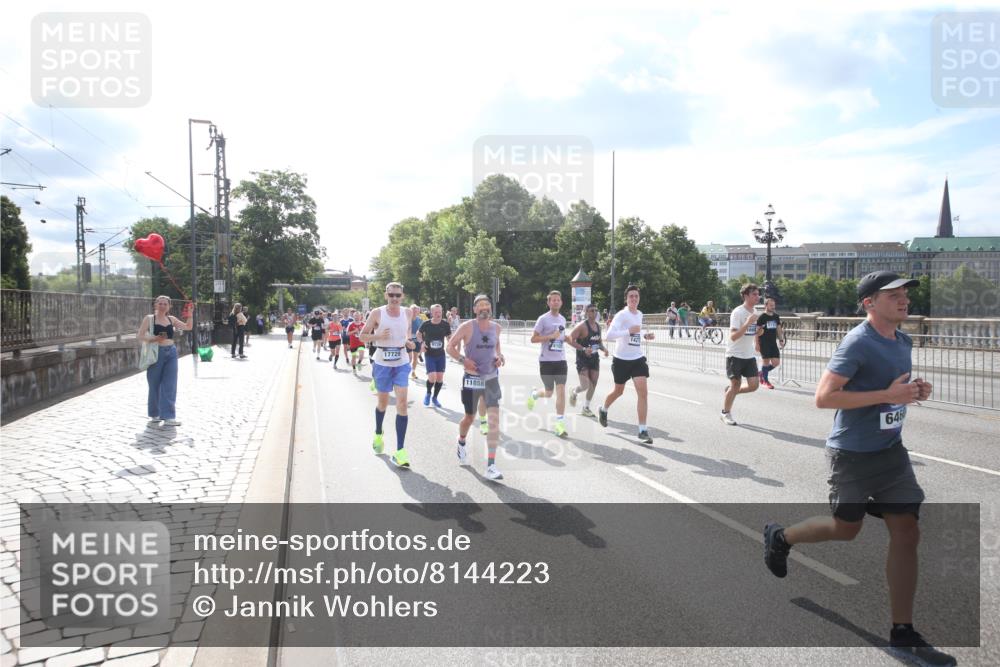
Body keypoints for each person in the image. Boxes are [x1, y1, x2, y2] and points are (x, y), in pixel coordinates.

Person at [762, 272, 953, 666]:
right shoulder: (857, 343)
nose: (904, 299)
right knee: (845, 529)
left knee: (907, 530)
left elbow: (890, 393)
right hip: (851, 455)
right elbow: (823, 397)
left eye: (905, 293)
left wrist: (913, 391)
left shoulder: (902, 341)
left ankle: (903, 630)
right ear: (869, 303)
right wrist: (889, 394)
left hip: (891, 453)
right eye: (893, 295)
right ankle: (782, 537)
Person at [447, 294, 505, 480]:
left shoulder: (497, 327)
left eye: (487, 304)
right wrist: (463, 360)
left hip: (491, 378)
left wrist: (499, 357)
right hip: (472, 378)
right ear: (474, 309)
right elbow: (450, 347)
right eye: (480, 305)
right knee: (469, 418)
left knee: (494, 420)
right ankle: (461, 441)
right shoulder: (466, 327)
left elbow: (497, 347)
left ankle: (491, 466)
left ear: (490, 308)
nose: (484, 307)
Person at [360, 282, 416, 467]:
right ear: (386, 295)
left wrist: (409, 342)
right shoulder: (377, 313)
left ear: (402, 296)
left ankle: (400, 451)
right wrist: (377, 336)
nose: (394, 298)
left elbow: (406, 334)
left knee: (402, 404)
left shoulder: (408, 313)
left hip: (401, 361)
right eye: (391, 295)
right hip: (382, 363)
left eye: (397, 295)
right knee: (383, 403)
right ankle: (378, 433)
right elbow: (362, 336)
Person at [599, 285, 655, 443]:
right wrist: (628, 331)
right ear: (626, 299)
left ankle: (642, 430)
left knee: (643, 393)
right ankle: (603, 409)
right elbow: (609, 335)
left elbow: (636, 332)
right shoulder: (621, 315)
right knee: (618, 391)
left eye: (636, 296)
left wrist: (645, 335)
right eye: (631, 296)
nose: (634, 298)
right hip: (621, 360)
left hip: (637, 359)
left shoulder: (640, 314)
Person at [138, 296, 194, 426]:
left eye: (165, 304)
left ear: (169, 306)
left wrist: (190, 314)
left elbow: (188, 327)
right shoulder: (149, 319)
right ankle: (155, 414)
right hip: (156, 353)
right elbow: (140, 335)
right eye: (160, 303)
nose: (162, 306)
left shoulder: (171, 319)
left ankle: (169, 416)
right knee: (154, 384)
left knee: (170, 384)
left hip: (171, 352)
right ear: (155, 304)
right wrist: (155, 339)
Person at [527, 290, 569, 438]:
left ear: (561, 302)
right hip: (546, 361)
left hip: (561, 360)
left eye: (558, 300)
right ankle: (534, 395)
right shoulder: (543, 319)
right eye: (553, 300)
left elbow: (561, 337)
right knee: (549, 393)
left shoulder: (563, 319)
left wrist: (567, 339)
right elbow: (533, 339)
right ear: (548, 302)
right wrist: (550, 336)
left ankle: (559, 425)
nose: (556, 302)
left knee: (561, 390)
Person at [721, 283, 761, 425]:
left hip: (748, 355)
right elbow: (733, 336)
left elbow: (752, 331)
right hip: (735, 354)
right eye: (754, 294)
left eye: (758, 294)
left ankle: (731, 391)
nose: (758, 297)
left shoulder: (755, 311)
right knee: (736, 384)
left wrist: (759, 333)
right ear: (745, 296)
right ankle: (725, 413)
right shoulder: (738, 312)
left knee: (754, 385)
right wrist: (748, 322)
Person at [566, 304, 608, 417]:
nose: (594, 312)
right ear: (586, 312)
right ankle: (574, 391)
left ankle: (586, 407)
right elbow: (569, 339)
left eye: (595, 310)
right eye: (591, 310)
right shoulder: (582, 326)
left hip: (594, 359)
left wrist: (604, 349)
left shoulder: (598, 327)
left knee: (593, 384)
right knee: (585, 385)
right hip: (582, 359)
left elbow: (599, 342)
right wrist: (584, 349)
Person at [417, 304, 450, 408]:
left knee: (439, 378)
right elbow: (418, 334)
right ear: (431, 313)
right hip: (429, 354)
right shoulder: (426, 324)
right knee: (432, 377)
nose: (438, 314)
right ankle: (428, 393)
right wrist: (422, 343)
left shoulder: (445, 324)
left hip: (440, 355)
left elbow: (449, 336)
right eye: (436, 312)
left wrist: (451, 342)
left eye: (440, 312)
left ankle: (435, 398)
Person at [755, 297, 785, 389]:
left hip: (773, 343)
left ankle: (761, 373)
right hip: (764, 342)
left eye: (774, 305)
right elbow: (756, 331)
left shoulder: (776, 316)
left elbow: (778, 329)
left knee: (776, 362)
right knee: (766, 362)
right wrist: (757, 344)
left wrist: (781, 340)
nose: (773, 307)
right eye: (771, 305)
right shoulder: (762, 317)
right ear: (766, 305)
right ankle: (765, 381)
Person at [408, 304, 423, 380]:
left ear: (418, 312)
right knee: (409, 358)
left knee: (415, 358)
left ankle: (413, 372)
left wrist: (422, 340)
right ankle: (405, 371)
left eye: (416, 311)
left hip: (417, 341)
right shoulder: (407, 319)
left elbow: (422, 331)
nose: (414, 312)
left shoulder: (420, 320)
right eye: (413, 311)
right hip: (408, 341)